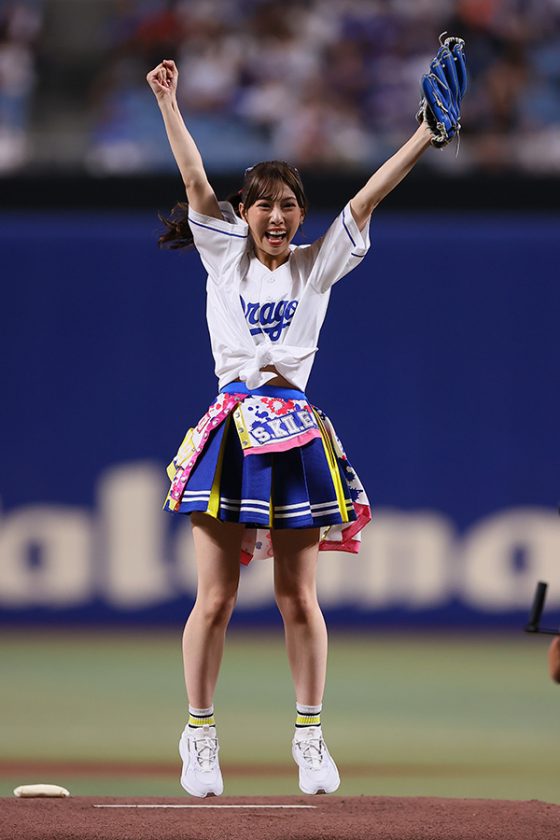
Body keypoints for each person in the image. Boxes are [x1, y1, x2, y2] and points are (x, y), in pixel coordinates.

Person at [146, 44, 465, 798]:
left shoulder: (316, 265)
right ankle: (199, 736)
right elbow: (194, 179)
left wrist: (425, 135)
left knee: (298, 597)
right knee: (216, 598)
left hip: (292, 432)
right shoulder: (224, 256)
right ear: (244, 213)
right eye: (264, 204)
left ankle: (310, 736)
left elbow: (367, 198)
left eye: (289, 204)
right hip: (232, 428)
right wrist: (167, 103)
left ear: (299, 215)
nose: (278, 215)